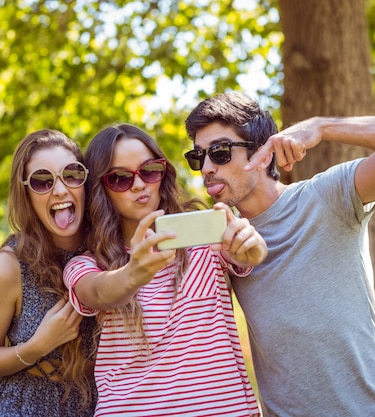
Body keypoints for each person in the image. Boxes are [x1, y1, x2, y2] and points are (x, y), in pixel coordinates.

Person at [183, 91, 375, 417]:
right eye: (198, 157)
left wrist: (322, 126)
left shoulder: (325, 196)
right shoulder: (224, 246)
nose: (206, 168)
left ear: (262, 152)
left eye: (219, 152)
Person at [63, 124, 266, 417]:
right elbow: (97, 291)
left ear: (163, 173)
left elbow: (247, 255)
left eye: (149, 171)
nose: (138, 185)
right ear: (100, 189)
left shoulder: (205, 234)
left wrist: (254, 249)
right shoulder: (86, 263)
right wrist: (133, 273)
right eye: (119, 178)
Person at [0, 129, 98, 417]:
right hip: (21, 407)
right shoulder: (8, 266)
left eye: (72, 174)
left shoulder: (109, 253)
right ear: (26, 193)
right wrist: (38, 346)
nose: (60, 190)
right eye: (42, 181)